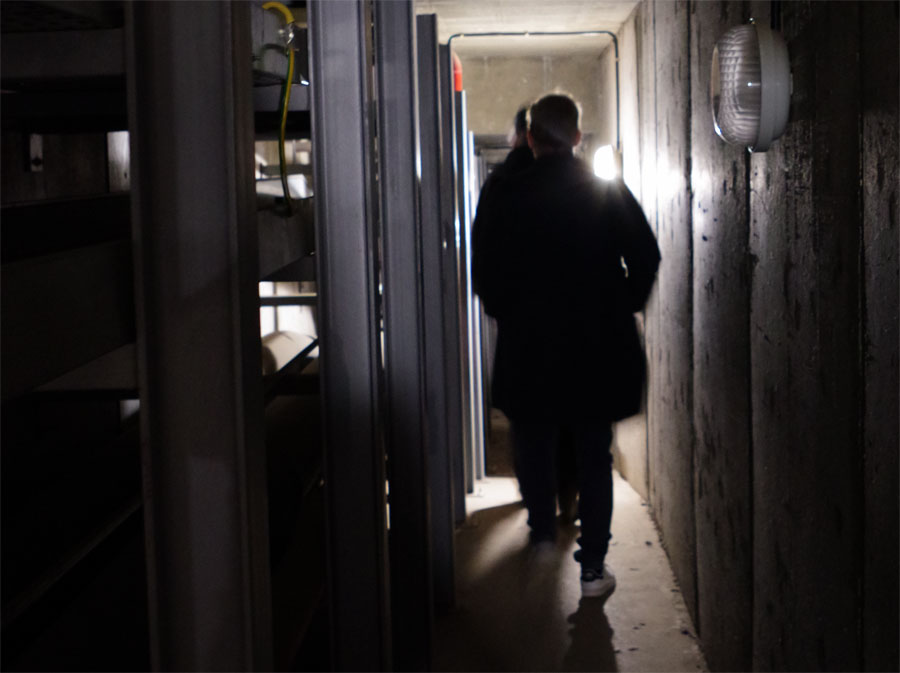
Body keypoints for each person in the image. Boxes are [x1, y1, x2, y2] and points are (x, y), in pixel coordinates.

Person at [472, 93, 660, 598]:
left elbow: (484, 270)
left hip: (531, 344)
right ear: (577, 138)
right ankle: (594, 567)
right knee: (594, 452)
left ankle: (539, 535)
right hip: (595, 345)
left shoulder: (504, 192)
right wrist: (621, 303)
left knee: (532, 440)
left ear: (531, 139)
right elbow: (646, 255)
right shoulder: (604, 189)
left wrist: (505, 310)